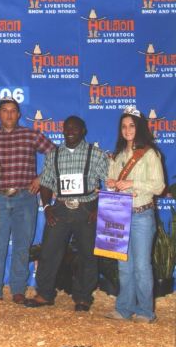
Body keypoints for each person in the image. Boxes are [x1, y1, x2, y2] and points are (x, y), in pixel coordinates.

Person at [24, 116, 109, 312]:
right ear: (62, 130)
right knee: (49, 251)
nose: (70, 131)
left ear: (83, 130)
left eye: (75, 128)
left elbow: (109, 183)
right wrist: (47, 208)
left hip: (87, 207)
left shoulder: (96, 154)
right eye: (67, 128)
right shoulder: (53, 154)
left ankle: (83, 297)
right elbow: (45, 183)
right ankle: (44, 294)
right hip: (60, 207)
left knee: (88, 255)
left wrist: (99, 208)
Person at [0, 97, 55, 304]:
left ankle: (18, 289)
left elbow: (55, 154)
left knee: (22, 246)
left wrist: (42, 177)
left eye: (13, 111)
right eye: (4, 110)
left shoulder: (30, 134)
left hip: (25, 198)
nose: (9, 114)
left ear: (18, 115)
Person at [105, 107, 165, 323]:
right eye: (124, 126)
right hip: (119, 213)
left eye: (131, 125)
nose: (127, 129)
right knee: (124, 265)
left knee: (141, 266)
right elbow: (112, 184)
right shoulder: (118, 156)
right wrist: (111, 185)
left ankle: (145, 312)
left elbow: (159, 187)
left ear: (139, 128)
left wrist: (132, 183)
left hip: (142, 214)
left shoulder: (150, 154)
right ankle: (123, 309)